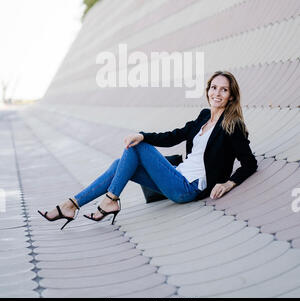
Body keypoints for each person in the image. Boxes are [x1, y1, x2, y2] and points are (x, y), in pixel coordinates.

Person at [38, 70, 258, 230]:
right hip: (176, 177)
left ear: (231, 96)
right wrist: (143, 134)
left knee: (138, 148)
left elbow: (250, 163)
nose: (217, 93)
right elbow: (174, 136)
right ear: (207, 90)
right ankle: (72, 205)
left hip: (187, 188)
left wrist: (227, 184)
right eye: (213, 87)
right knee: (120, 164)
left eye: (224, 89)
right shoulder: (203, 116)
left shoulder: (232, 125)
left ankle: (110, 200)